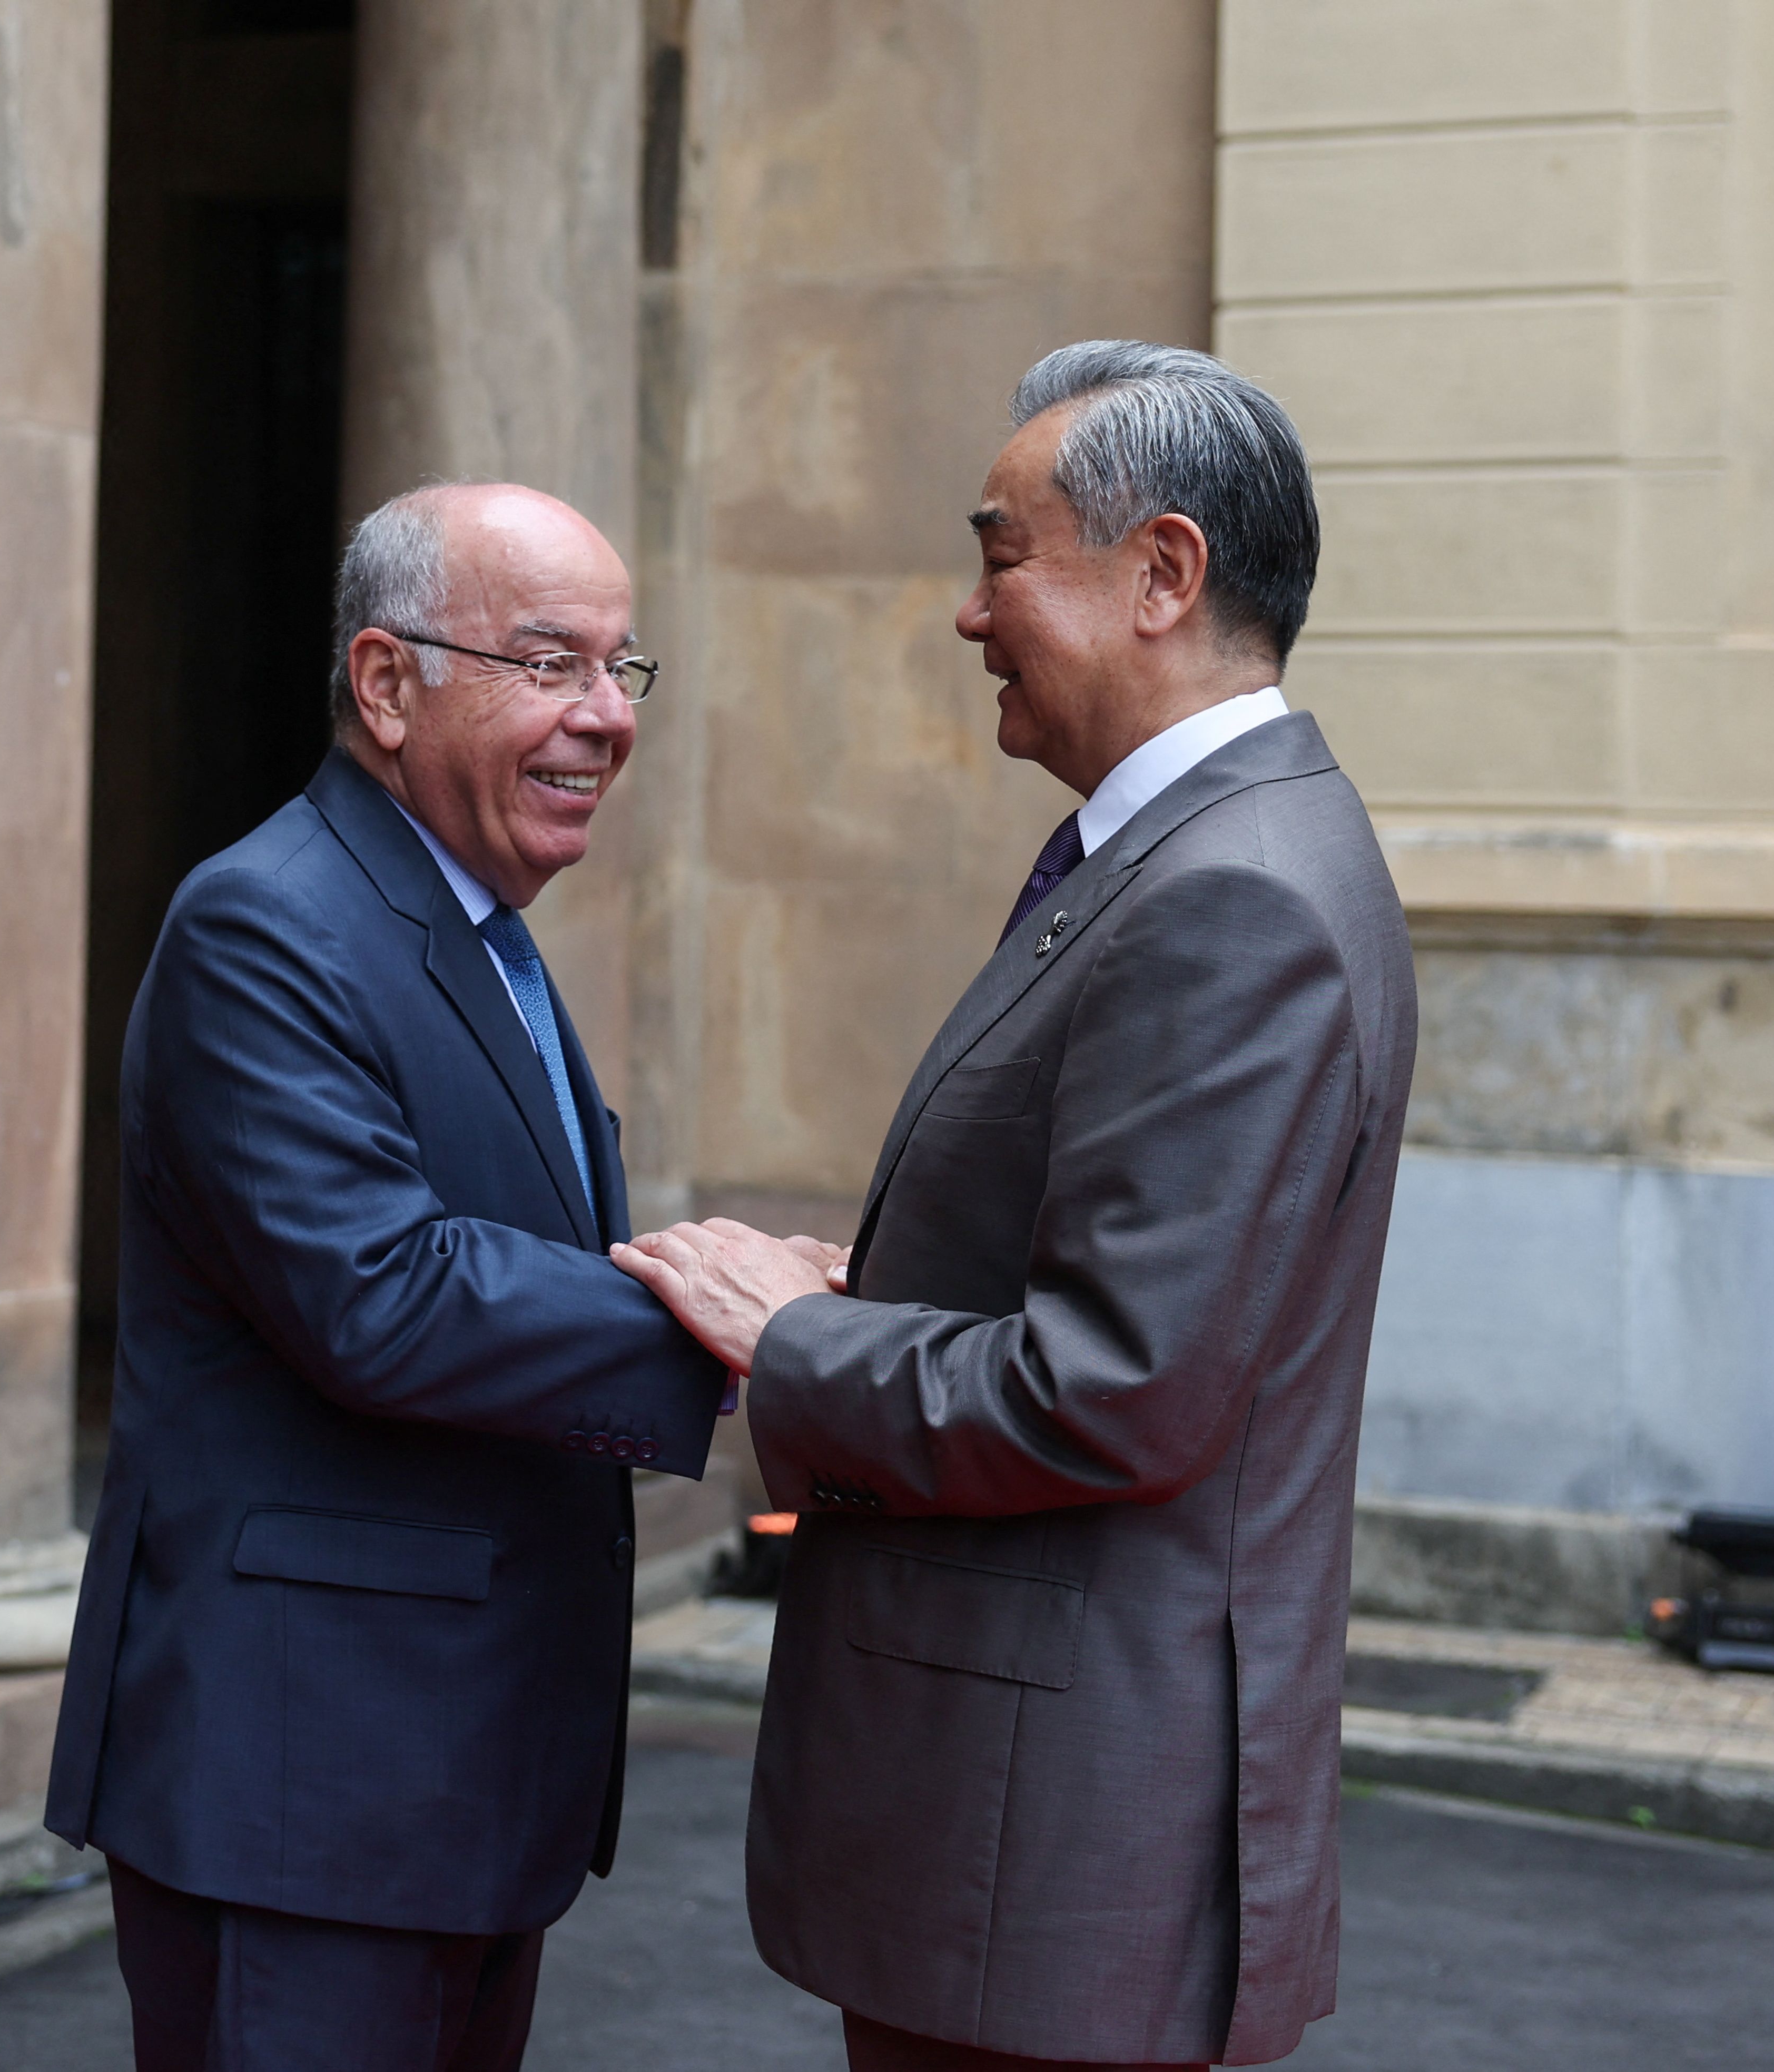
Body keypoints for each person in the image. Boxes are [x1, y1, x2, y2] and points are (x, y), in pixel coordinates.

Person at [614, 342, 1416, 2070]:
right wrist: (875, 1289)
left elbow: (1113, 1385)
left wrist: (800, 1337)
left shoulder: (1229, 898)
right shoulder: (1201, 854)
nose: (971, 612)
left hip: (1049, 1841)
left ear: (1164, 573)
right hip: (1034, 1827)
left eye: (1001, 554)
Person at [45, 483, 732, 2071]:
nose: (602, 718)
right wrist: (735, 1316)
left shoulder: (467, 919)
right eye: (550, 662)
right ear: (383, 682)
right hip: (310, 1790)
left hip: (448, 1776)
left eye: (624, 671)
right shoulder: (265, 923)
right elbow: (385, 1291)